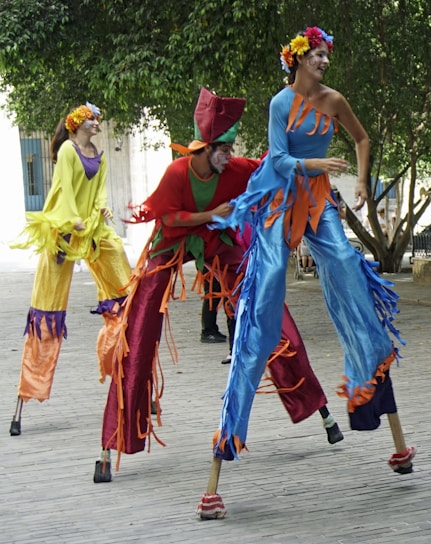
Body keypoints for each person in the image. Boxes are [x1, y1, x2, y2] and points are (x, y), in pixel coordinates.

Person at [198, 26, 414, 519]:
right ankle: (229, 428)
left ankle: (368, 372)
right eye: (317, 54)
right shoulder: (280, 104)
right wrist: (315, 160)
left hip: (317, 202)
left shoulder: (334, 99)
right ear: (297, 60)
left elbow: (361, 138)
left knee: (343, 263)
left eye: (326, 55)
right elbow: (276, 157)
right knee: (266, 298)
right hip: (279, 201)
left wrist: (359, 180)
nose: (324, 61)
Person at [94, 88, 342, 482]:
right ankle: (113, 439)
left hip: (219, 241)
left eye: (230, 147)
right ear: (204, 147)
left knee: (267, 304)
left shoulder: (236, 169)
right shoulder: (178, 173)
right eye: (223, 147)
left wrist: (306, 156)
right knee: (139, 328)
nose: (229, 154)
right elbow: (170, 218)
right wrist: (210, 212)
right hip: (174, 240)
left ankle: (315, 405)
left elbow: (271, 166)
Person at [9, 102, 131, 436]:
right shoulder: (67, 149)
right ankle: (26, 392)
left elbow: (100, 193)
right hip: (63, 230)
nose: (97, 123)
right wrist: (70, 220)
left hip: (92, 229)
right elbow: (62, 189)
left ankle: (128, 374)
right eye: (92, 119)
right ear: (77, 123)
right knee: (45, 312)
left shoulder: (100, 155)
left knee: (127, 295)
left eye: (98, 120)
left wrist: (101, 212)